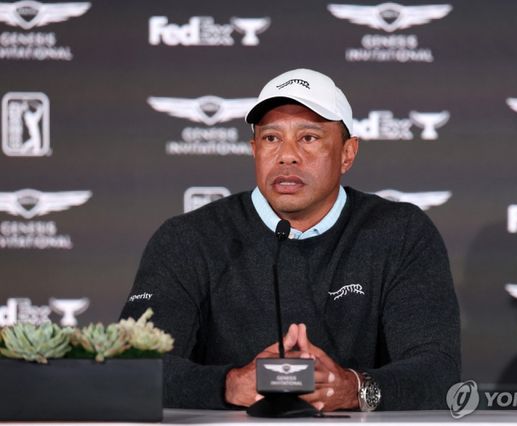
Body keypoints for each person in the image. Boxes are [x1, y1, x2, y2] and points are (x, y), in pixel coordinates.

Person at [120, 68, 460, 412]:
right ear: (254, 149)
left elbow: (438, 369)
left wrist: (354, 388)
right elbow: (132, 365)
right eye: (271, 138)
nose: (287, 155)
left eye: (308, 137)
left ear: (347, 153)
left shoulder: (400, 233)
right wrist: (230, 385)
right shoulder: (188, 239)